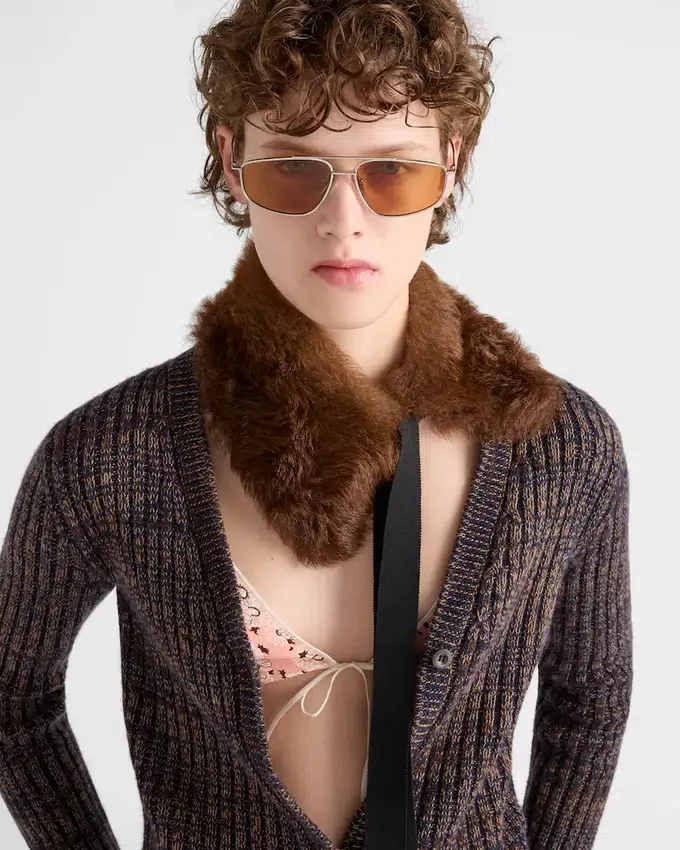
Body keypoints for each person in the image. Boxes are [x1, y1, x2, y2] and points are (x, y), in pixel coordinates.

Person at [0, 1, 633, 849]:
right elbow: (12, 692)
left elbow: (590, 697)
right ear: (232, 160)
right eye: (295, 172)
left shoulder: (560, 448)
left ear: (451, 161)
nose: (344, 221)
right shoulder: (113, 454)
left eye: (392, 171)